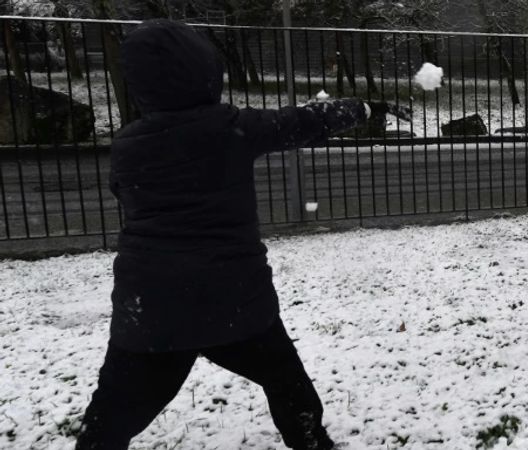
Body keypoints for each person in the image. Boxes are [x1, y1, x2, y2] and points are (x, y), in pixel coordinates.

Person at [76, 19, 407, 450]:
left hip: (154, 311)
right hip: (233, 303)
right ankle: (309, 440)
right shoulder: (230, 128)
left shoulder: (128, 145)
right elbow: (303, 121)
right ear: (205, 72)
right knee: (288, 385)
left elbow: (123, 192)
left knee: (111, 415)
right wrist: (365, 107)